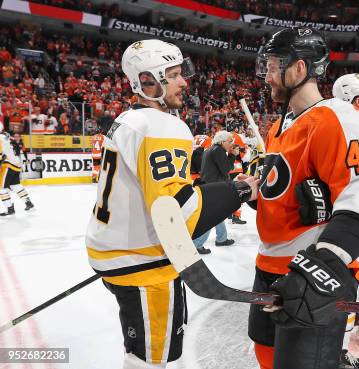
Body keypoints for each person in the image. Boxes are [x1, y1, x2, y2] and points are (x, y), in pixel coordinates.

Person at [85, 39, 259, 369]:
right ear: (148, 81)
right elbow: (178, 213)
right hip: (143, 263)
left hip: (118, 253)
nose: (184, 82)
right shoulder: (161, 125)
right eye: (174, 75)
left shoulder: (127, 119)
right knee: (149, 360)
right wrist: (240, 190)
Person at [249, 28, 359, 369]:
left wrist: (324, 265)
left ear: (300, 69)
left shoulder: (338, 117)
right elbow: (288, 193)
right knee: (266, 353)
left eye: (272, 66)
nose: (266, 75)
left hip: (312, 272)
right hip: (269, 263)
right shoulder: (280, 125)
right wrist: (258, 195)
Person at [193, 130, 240, 254]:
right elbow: (226, 169)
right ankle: (197, 244)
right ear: (222, 141)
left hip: (209, 185)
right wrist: (232, 155)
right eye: (230, 141)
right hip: (215, 187)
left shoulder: (210, 149)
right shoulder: (218, 151)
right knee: (212, 216)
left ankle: (221, 238)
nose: (232, 144)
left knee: (217, 214)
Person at [0, 131, 34, 216]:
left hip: (8, 165)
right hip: (16, 164)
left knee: (1, 188)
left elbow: (1, 154)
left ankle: (10, 208)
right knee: (15, 185)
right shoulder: (7, 136)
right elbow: (17, 149)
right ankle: (28, 202)